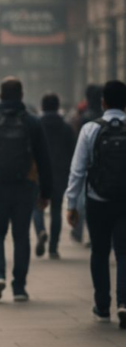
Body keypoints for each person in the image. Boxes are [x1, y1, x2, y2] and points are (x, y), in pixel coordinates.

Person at [0, 77, 53, 302]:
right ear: (21, 95)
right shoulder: (32, 122)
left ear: (1, 96)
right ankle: (19, 287)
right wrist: (46, 193)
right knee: (21, 235)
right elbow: (44, 159)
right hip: (25, 185)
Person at [66, 80, 126, 326]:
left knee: (99, 252)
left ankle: (102, 306)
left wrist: (71, 204)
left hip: (97, 199)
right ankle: (123, 303)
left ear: (103, 102)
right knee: (124, 252)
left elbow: (78, 170)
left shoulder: (90, 129)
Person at [32, 93, 76, 259]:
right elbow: (73, 153)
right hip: (59, 173)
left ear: (42, 107)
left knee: (37, 207)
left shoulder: (36, 124)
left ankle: (41, 231)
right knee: (56, 209)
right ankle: (53, 248)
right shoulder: (66, 127)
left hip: (38, 173)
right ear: (57, 107)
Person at [70, 85, 105, 244]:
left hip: (88, 165)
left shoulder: (84, 117)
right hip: (108, 169)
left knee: (82, 200)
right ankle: (95, 234)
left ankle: (78, 230)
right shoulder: (107, 118)